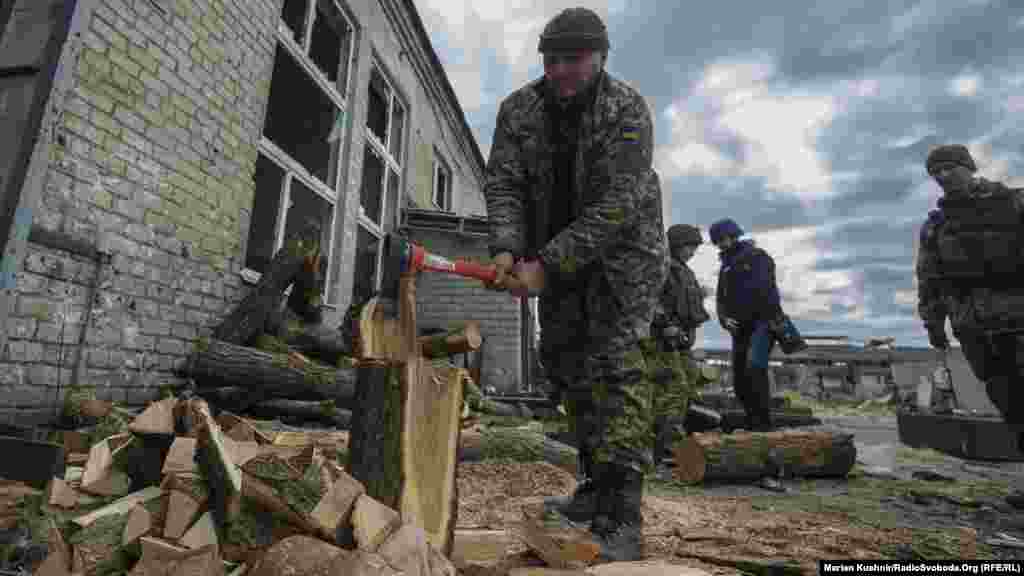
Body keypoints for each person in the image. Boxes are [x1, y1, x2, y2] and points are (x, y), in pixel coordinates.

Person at [481, 6, 666, 561]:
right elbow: (505, 183)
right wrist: (506, 247)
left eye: (574, 59)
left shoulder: (626, 109)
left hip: (621, 261)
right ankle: (593, 486)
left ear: (601, 57)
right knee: (565, 364)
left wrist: (547, 264)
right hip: (553, 258)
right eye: (552, 59)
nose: (561, 70)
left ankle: (623, 514)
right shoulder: (519, 110)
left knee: (614, 369)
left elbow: (617, 206)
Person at [915, 144, 1024, 507]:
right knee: (1011, 405)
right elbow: (929, 279)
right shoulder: (936, 226)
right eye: (936, 172)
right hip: (975, 328)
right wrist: (933, 323)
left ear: (969, 166)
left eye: (950, 167)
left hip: (1019, 319)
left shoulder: (1014, 203)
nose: (943, 176)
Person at [710, 218, 782, 433]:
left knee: (754, 370)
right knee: (740, 379)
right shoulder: (725, 265)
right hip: (739, 328)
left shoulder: (758, 257)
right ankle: (752, 421)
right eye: (717, 241)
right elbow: (720, 298)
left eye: (723, 239)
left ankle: (763, 424)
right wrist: (724, 319)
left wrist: (763, 320)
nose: (721, 244)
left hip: (763, 323)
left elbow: (767, 291)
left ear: (734, 236)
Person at [648, 224, 711, 464]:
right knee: (674, 389)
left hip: (681, 342)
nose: (692, 252)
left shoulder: (685, 271)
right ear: (676, 244)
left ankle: (676, 439)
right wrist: (664, 324)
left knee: (688, 386)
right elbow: (649, 300)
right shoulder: (660, 267)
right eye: (688, 246)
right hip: (661, 341)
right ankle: (667, 447)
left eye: (694, 248)